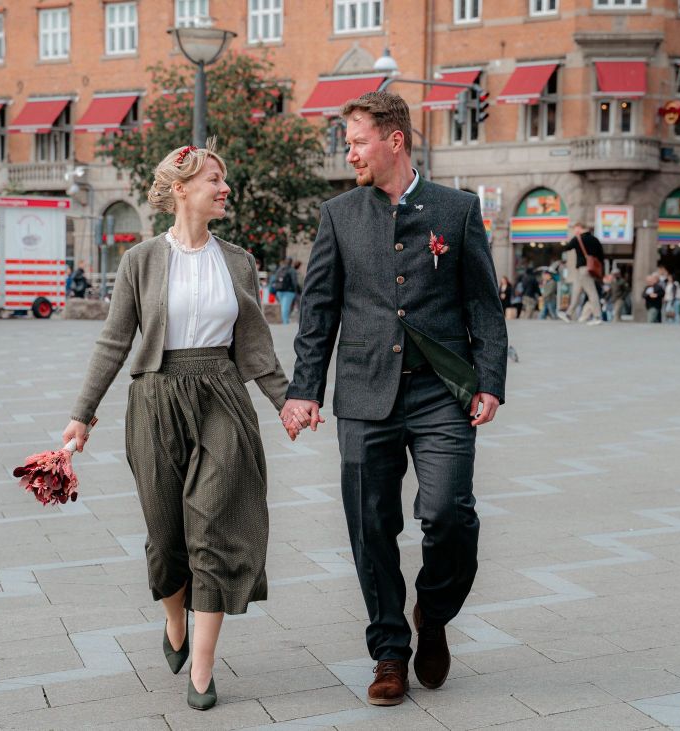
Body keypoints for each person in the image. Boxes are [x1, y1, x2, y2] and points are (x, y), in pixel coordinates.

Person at [279, 91, 507, 707]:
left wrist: (488, 380)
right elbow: (318, 312)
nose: (348, 152)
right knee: (371, 526)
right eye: (346, 142)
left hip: (441, 392)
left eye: (356, 141)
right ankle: (388, 651)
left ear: (394, 140)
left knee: (450, 514)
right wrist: (303, 392)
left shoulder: (457, 210)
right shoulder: (339, 214)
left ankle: (431, 615)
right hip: (364, 391)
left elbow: (484, 302)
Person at [62, 141, 303, 712]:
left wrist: (286, 402)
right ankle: (176, 621)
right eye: (215, 180)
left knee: (215, 526)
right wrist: (81, 414)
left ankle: (202, 667)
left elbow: (256, 348)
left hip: (221, 393)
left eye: (224, 180)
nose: (225, 189)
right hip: (155, 398)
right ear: (181, 188)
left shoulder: (239, 260)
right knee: (166, 536)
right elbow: (115, 341)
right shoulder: (140, 260)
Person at [557, 223, 604, 325]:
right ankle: (568, 314)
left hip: (583, 269)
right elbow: (601, 256)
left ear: (579, 228)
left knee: (592, 293)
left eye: (574, 229)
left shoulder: (578, 239)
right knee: (576, 291)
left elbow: (567, 247)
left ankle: (597, 316)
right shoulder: (595, 240)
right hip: (590, 269)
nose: (574, 231)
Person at [272, 257, 299, 324]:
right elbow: (294, 282)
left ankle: (285, 321)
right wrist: (296, 291)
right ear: (291, 262)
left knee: (283, 307)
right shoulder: (292, 270)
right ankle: (285, 322)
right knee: (285, 307)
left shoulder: (280, 269)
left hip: (279, 291)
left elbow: (275, 280)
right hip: (289, 292)